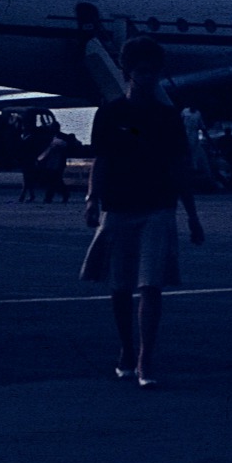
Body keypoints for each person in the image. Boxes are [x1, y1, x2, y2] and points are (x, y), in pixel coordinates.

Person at [81, 37, 204, 388]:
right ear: (128, 72)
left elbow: (179, 167)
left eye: (153, 71)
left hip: (158, 207)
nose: (148, 78)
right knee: (120, 287)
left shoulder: (168, 118)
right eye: (142, 71)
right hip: (118, 206)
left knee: (151, 285)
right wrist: (92, 198)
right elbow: (100, 161)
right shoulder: (109, 114)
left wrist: (193, 216)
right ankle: (126, 348)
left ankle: (145, 358)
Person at [37, 121, 71, 204]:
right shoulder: (52, 137)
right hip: (51, 162)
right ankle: (62, 194)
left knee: (54, 180)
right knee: (54, 180)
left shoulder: (60, 137)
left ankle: (50, 197)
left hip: (58, 162)